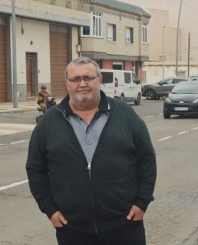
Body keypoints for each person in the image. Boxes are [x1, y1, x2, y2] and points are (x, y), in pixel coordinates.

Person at [26, 56, 157, 245]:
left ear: (99, 80)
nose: (82, 84)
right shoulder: (49, 122)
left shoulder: (125, 115)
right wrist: (50, 210)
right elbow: (35, 169)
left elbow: (147, 160)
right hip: (72, 229)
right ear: (67, 83)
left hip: (125, 225)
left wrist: (142, 202)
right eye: (75, 79)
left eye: (88, 78)